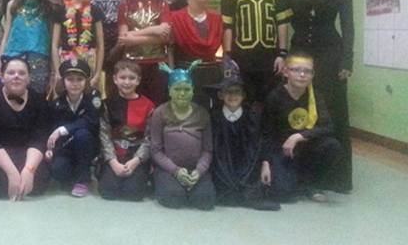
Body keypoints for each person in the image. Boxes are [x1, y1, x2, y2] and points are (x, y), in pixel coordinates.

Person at [288, 0, 353, 193]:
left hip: (329, 54)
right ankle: (301, 172)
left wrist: (347, 61)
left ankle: (335, 177)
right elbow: (290, 20)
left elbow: (348, 25)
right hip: (300, 52)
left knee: (330, 110)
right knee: (300, 108)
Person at [261, 52, 342, 203]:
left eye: (307, 71)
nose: (302, 75)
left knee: (332, 145)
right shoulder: (275, 97)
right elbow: (266, 133)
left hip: (306, 147)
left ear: (313, 75)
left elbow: (327, 126)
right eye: (296, 70)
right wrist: (265, 163)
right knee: (282, 193)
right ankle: (293, 177)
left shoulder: (315, 96)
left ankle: (311, 183)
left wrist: (298, 136)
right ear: (286, 72)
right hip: (282, 150)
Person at [221, 0, 292, 107]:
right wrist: (229, 56)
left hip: (270, 57)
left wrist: (282, 54)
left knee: (271, 101)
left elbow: (282, 21)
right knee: (245, 101)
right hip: (241, 57)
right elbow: (227, 25)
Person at [0, 58, 50, 200]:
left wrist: (29, 170)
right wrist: (11, 172)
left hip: (26, 152)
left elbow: (39, 138)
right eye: (11, 72)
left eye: (22, 73)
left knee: (41, 178)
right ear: (2, 78)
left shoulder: (39, 100)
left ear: (29, 79)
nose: (16, 76)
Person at [208, 64, 280, 211]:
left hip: (249, 168)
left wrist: (265, 163)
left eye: (237, 92)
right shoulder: (214, 117)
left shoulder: (253, 116)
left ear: (244, 95)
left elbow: (262, 141)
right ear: (220, 95)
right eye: (228, 92)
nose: (233, 96)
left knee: (275, 188)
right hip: (222, 167)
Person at [150, 62, 215, 210]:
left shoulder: (202, 113)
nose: (182, 93)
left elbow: (207, 150)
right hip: (168, 169)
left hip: (195, 169)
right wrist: (176, 170)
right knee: (174, 199)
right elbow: (155, 150)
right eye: (177, 89)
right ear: (170, 91)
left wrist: (199, 171)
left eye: (186, 89)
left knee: (205, 201)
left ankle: (191, 186)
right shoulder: (160, 113)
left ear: (192, 90)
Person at [97, 60, 154, 201]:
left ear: (138, 80)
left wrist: (136, 161)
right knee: (108, 192)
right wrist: (113, 162)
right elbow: (104, 136)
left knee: (133, 193)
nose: (127, 82)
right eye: (122, 77)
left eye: (132, 78)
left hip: (136, 155)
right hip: (115, 155)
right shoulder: (107, 104)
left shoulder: (148, 105)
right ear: (115, 79)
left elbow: (149, 138)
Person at [116, 0, 171, 105]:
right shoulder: (125, 5)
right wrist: (154, 30)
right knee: (134, 103)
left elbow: (164, 36)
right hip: (132, 64)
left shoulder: (162, 4)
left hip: (157, 63)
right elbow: (123, 38)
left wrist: (134, 36)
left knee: (157, 104)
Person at [46, 58, 100, 197]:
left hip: (87, 146)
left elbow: (91, 120)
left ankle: (83, 179)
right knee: (57, 170)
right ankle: (75, 174)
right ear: (63, 81)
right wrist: (50, 149)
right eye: (70, 79)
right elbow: (51, 128)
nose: (75, 84)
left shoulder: (93, 98)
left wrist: (63, 129)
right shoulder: (57, 103)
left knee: (82, 134)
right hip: (66, 148)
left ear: (86, 81)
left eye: (79, 79)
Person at [51, 0, 104, 92]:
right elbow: (54, 45)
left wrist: (97, 74)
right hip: (66, 61)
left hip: (89, 61)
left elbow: (100, 45)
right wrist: (57, 72)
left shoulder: (95, 11)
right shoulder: (60, 11)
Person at [169, 0, 223, 108]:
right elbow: (170, 49)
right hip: (185, 75)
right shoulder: (175, 18)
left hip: (212, 76)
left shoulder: (217, 19)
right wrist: (172, 74)